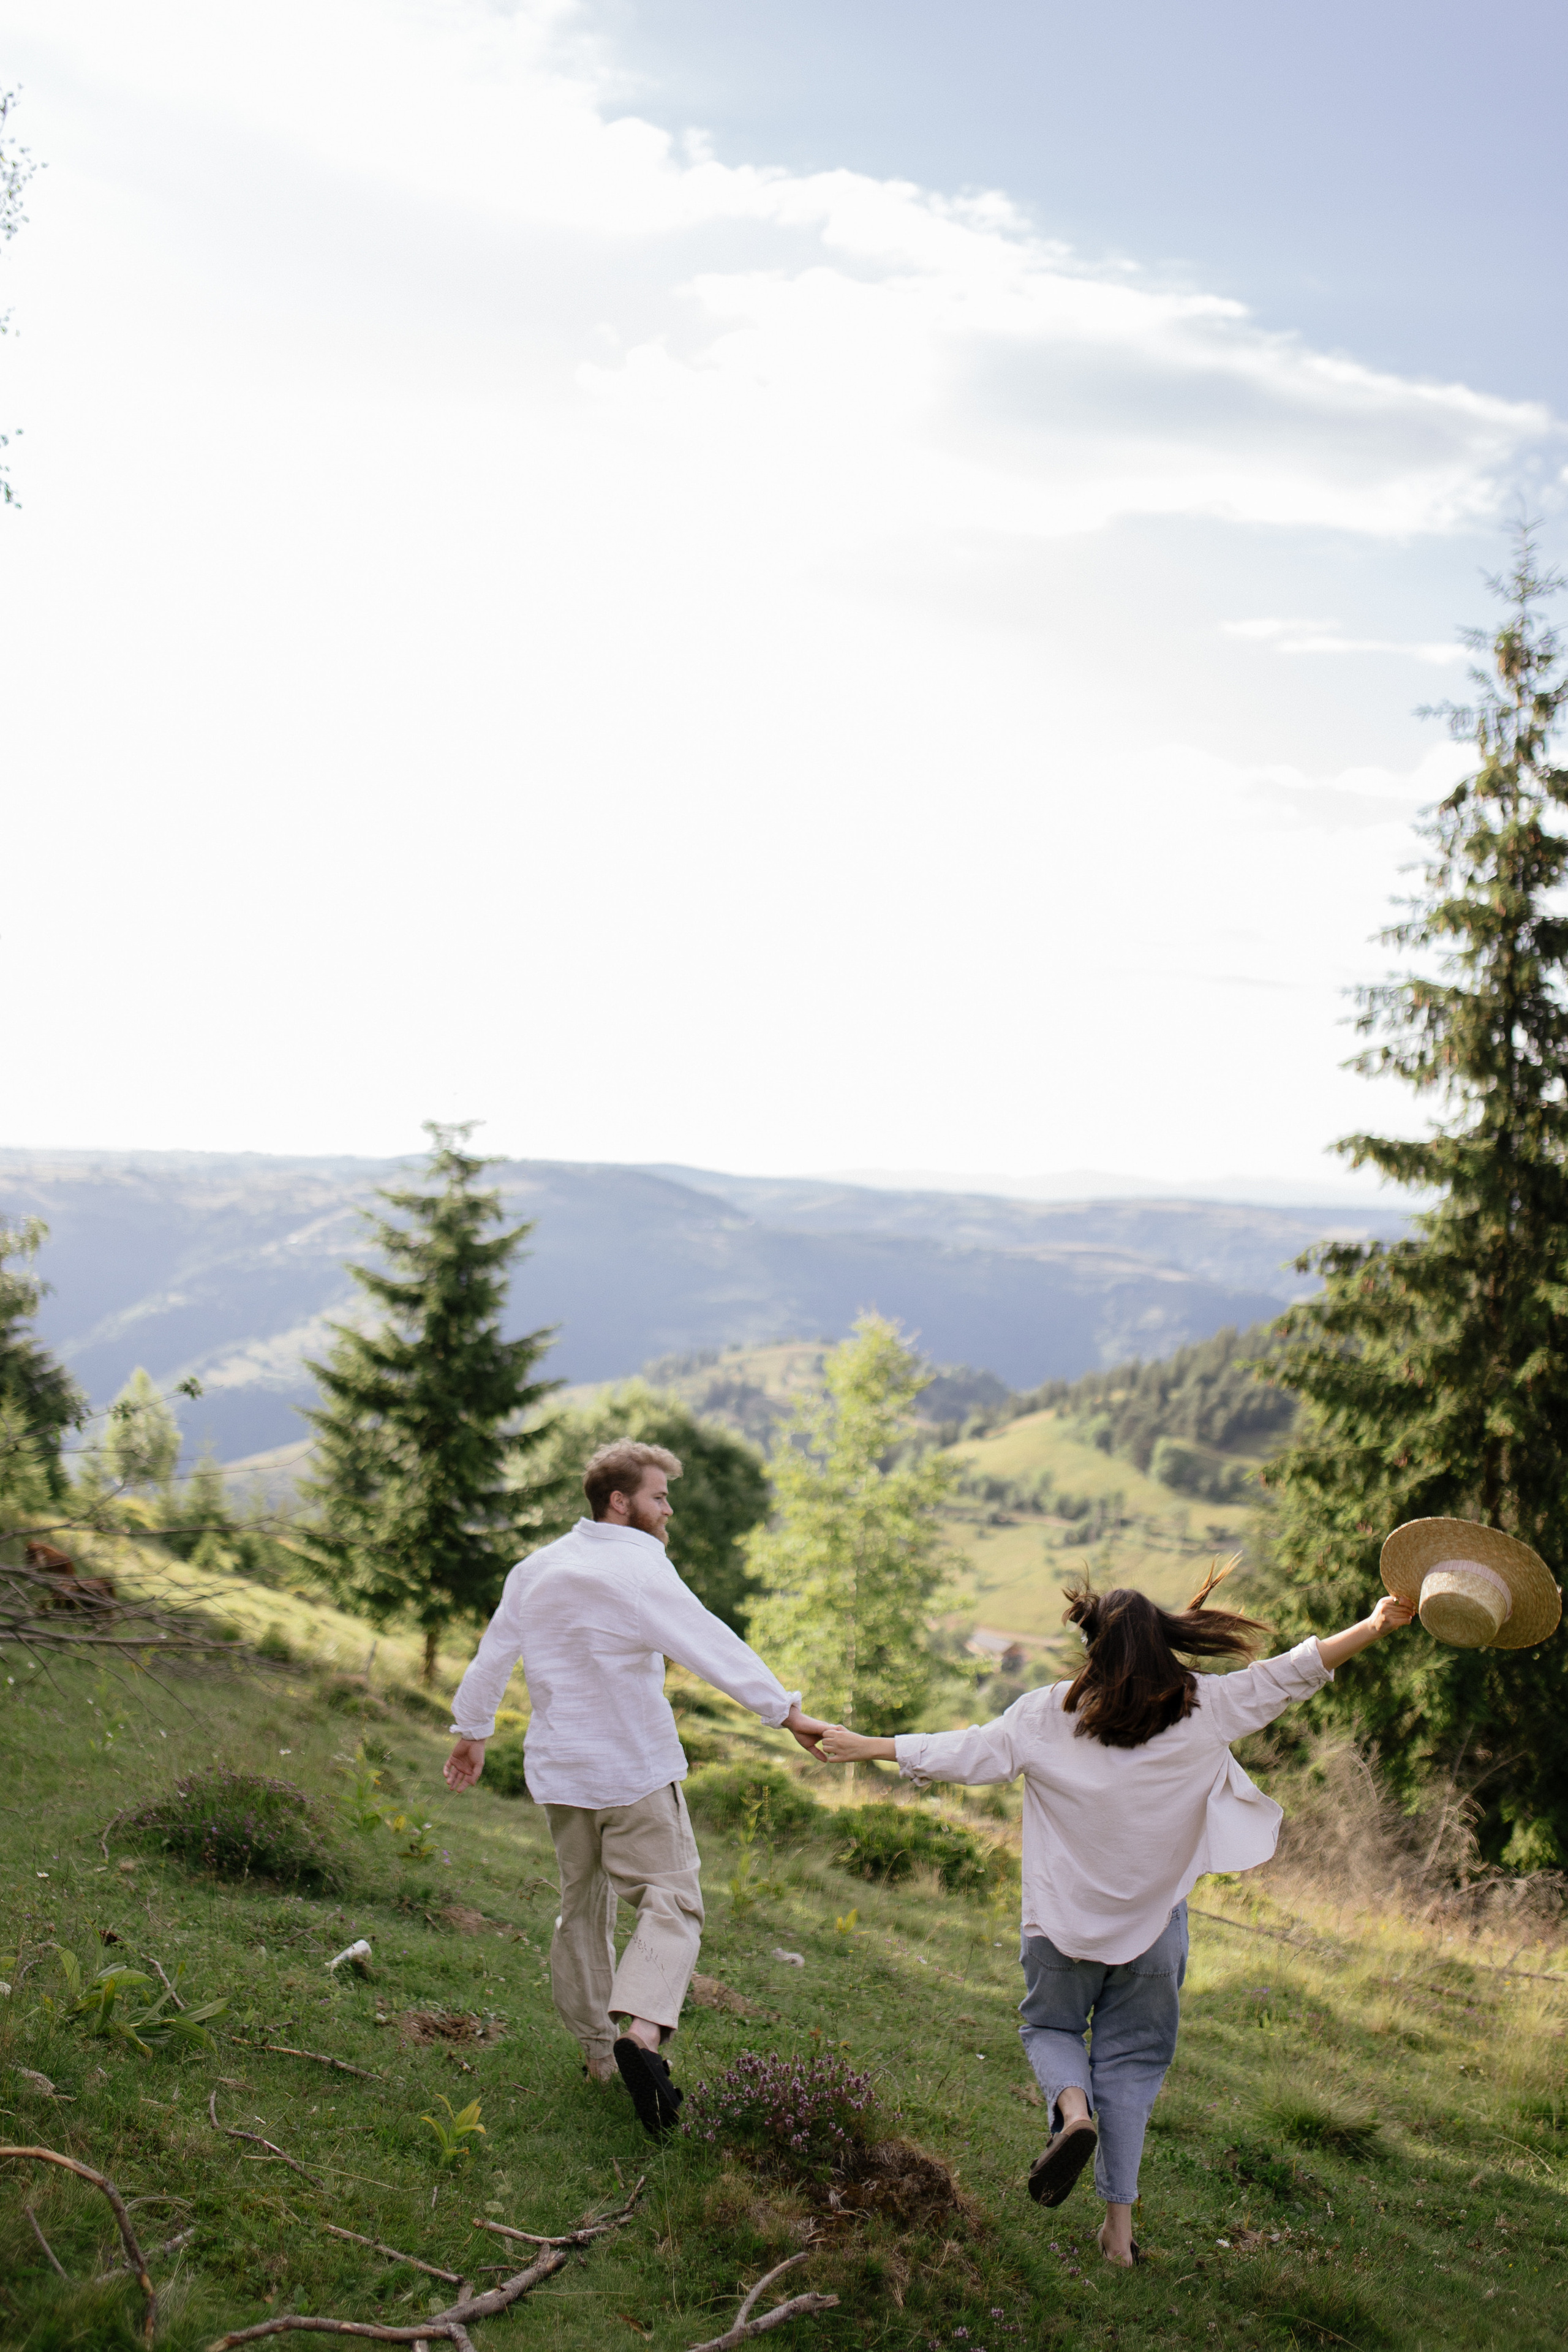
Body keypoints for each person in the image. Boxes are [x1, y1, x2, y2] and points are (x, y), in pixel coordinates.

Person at [817, 1568, 1415, 2265]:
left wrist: (866, 1745)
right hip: (1154, 1932)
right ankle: (1119, 2237)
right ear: (1163, 1642)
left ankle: (1073, 2115)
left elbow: (966, 1751)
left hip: (1058, 1930)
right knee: (1132, 2068)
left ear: (1093, 1647)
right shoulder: (1206, 1709)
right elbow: (1292, 1671)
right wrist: (1374, 1625)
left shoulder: (1045, 1715)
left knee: (1049, 2026)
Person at [443, 1438, 827, 2138]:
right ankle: (641, 2036)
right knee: (672, 1901)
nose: (667, 1509)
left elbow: (494, 1652)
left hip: (561, 1775)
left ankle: (597, 2054)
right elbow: (707, 1641)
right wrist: (785, 1711)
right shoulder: (640, 1569)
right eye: (658, 1497)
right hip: (634, 1770)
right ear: (619, 1502)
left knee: (581, 1910)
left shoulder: (536, 1569)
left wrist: (473, 1731)